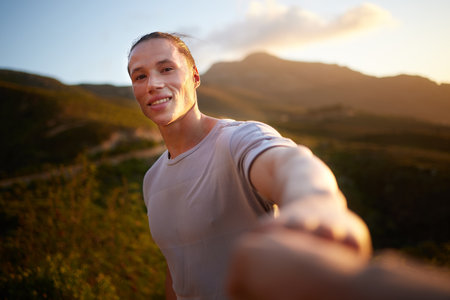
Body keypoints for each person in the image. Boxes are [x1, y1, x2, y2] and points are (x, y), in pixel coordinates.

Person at [127, 32, 372, 300]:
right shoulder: (152, 179)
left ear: (195, 77)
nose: (153, 83)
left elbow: (290, 163)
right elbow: (176, 267)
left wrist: (314, 203)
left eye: (166, 69)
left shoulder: (236, 140)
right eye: (140, 76)